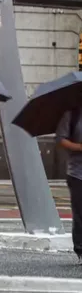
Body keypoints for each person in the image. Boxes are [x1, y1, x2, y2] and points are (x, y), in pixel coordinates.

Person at [56, 104, 82, 264]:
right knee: (80, 214)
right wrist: (79, 147)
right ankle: (80, 249)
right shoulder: (73, 114)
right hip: (77, 173)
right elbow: (60, 139)